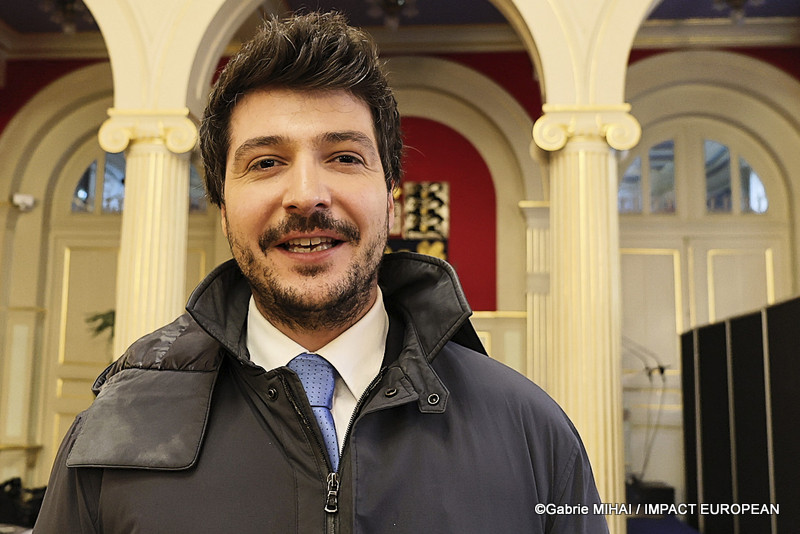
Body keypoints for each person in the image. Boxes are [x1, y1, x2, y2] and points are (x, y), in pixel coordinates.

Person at [34, 12, 608, 533]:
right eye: (266, 162)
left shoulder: (533, 434)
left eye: (344, 157)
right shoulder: (114, 438)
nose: (307, 195)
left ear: (391, 199)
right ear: (223, 202)